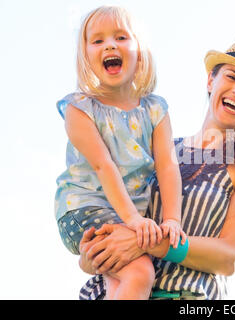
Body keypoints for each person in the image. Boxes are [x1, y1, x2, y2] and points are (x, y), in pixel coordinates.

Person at [77, 33, 235, 300]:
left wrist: (155, 243)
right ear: (211, 80)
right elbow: (108, 215)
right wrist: (91, 255)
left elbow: (229, 257)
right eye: (232, 76)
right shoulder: (154, 149)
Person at [55, 5, 186, 300]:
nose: (110, 45)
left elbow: (168, 167)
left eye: (121, 37)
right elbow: (104, 166)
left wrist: (172, 220)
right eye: (98, 40)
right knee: (140, 272)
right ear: (86, 55)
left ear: (140, 51)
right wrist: (134, 220)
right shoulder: (79, 109)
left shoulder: (155, 109)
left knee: (123, 282)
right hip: (83, 209)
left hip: (124, 215)